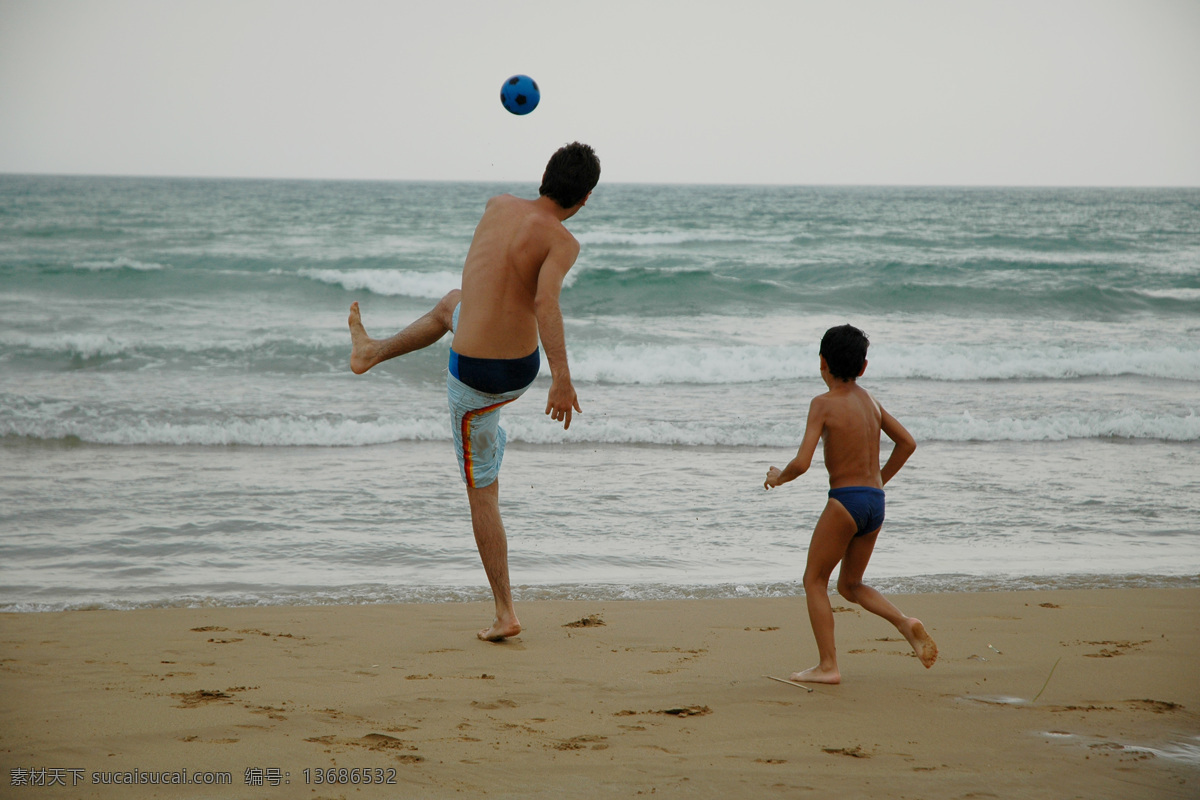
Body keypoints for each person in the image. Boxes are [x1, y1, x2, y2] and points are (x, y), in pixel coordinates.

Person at [348, 142, 600, 642]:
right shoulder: (564, 242)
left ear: (543, 176)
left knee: (481, 491)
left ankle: (506, 612)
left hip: (478, 381)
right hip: (518, 371)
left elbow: (540, 299)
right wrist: (558, 378)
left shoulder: (497, 204)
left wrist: (564, 379)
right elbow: (540, 300)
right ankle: (371, 353)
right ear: (585, 198)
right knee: (452, 305)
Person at [763, 324, 936, 683]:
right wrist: (876, 482)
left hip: (846, 502)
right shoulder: (871, 401)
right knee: (850, 586)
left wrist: (779, 476)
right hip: (875, 502)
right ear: (863, 367)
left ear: (822, 362)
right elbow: (907, 443)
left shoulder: (822, 404)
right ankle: (904, 622)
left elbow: (803, 462)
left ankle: (828, 666)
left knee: (814, 580)